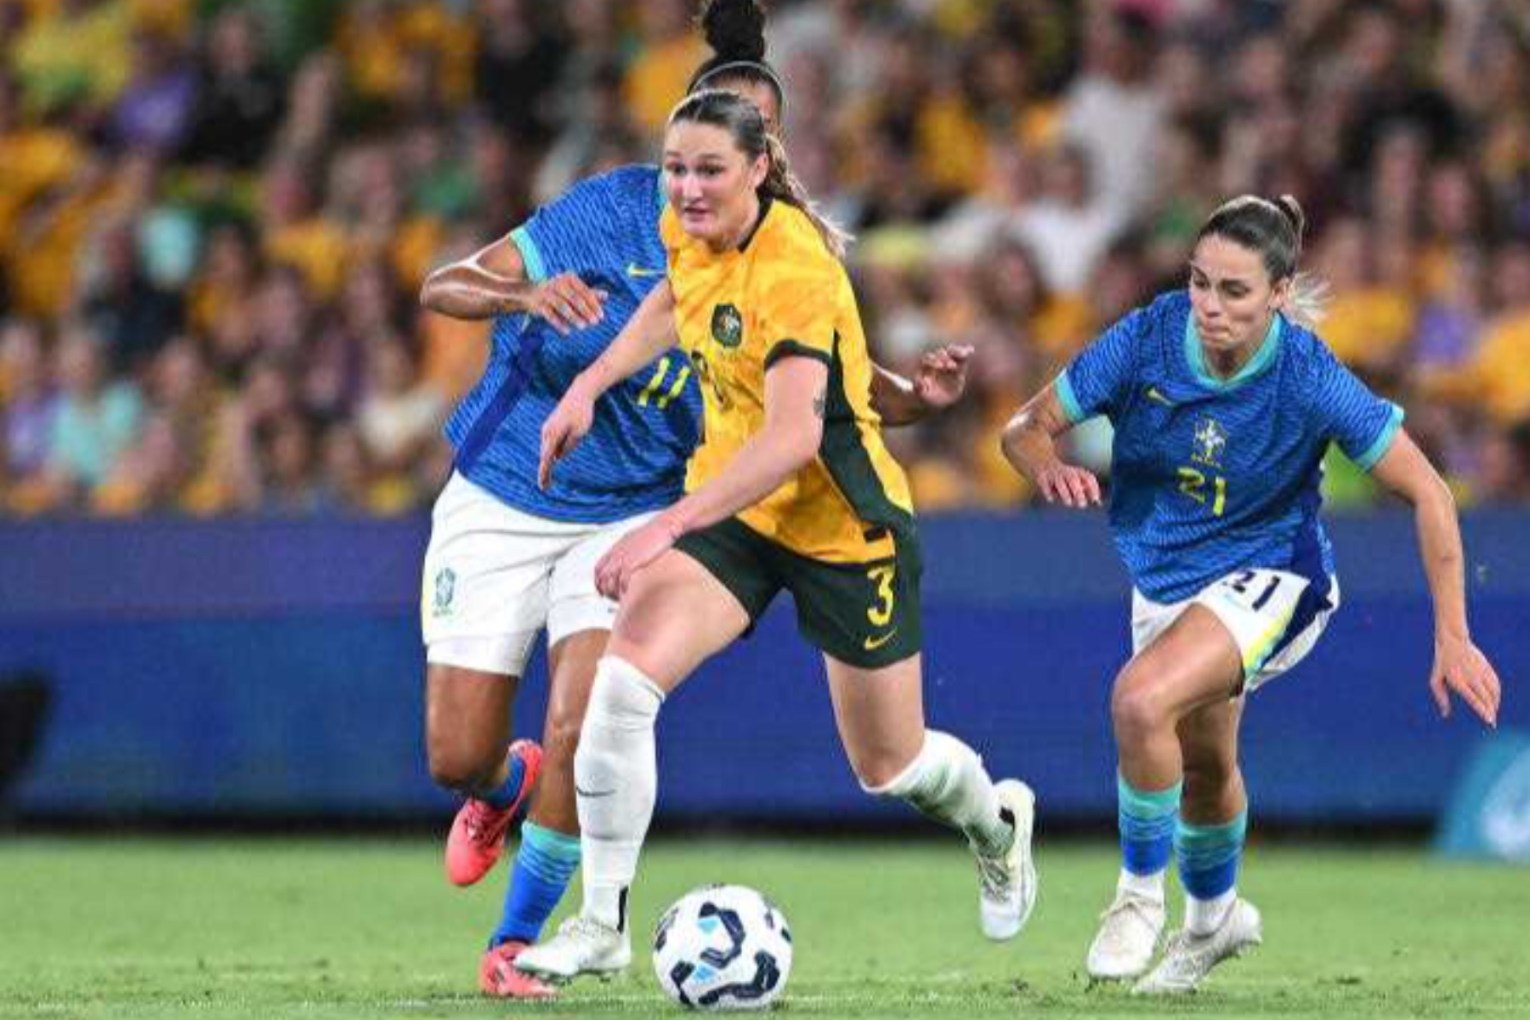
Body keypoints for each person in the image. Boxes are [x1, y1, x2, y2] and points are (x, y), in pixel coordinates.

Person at [416, 0, 973, 1000]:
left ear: (764, 158)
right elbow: (444, 284)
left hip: (637, 505)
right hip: (509, 484)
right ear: (676, 146)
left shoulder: (790, 249)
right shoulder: (607, 210)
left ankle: (516, 943)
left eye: (740, 147)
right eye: (692, 152)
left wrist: (912, 402)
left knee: (598, 711)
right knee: (457, 750)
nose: (706, 171)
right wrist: (524, 300)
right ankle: (500, 786)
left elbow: (821, 383)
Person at [513, 87, 1038, 985]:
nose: (686, 188)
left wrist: (664, 527)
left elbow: (796, 437)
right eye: (676, 168)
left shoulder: (796, 264)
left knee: (890, 765)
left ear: (760, 168)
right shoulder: (689, 225)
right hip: (738, 514)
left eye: (709, 169)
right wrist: (591, 382)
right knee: (622, 684)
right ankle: (601, 924)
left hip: (841, 523)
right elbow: (680, 302)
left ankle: (997, 825)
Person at [999, 195, 1502, 994]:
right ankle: (1213, 922)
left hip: (1278, 578)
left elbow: (1433, 493)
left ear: (1278, 293)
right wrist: (1044, 464)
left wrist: (1453, 634)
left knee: (1138, 702)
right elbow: (1023, 426)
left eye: (1234, 291)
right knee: (1202, 763)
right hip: (1167, 582)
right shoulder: (1147, 337)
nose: (1209, 305)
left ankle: (1136, 898)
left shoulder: (1307, 375)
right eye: (1201, 282)